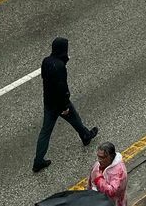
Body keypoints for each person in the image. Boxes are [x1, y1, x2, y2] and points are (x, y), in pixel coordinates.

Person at [33, 37, 98, 172]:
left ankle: (38, 160)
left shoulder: (46, 61)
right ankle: (85, 136)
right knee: (75, 119)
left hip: (49, 102)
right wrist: (64, 106)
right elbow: (62, 87)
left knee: (45, 132)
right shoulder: (60, 66)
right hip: (60, 103)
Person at [88, 142, 134, 206]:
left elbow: (112, 191)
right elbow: (90, 182)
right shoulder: (97, 166)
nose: (99, 160)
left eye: (102, 158)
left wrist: (99, 180)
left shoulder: (119, 171)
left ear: (110, 156)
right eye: (98, 157)